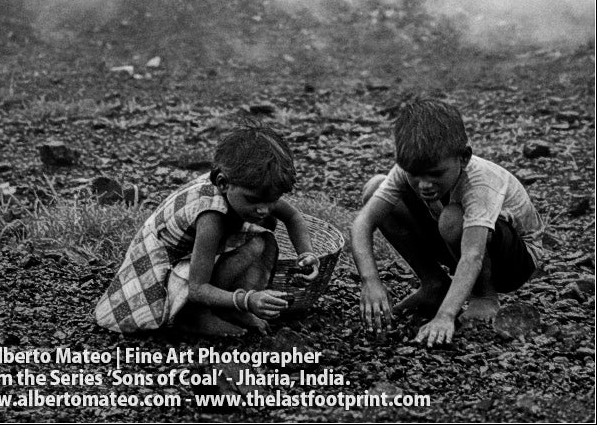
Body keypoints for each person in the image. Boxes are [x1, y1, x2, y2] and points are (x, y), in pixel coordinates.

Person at [351, 99, 544, 347]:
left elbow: (472, 255)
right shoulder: (411, 167)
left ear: (464, 158)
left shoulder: (479, 182)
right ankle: (434, 284)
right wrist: (370, 281)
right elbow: (362, 223)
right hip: (460, 244)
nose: (424, 185)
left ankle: (484, 295)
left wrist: (445, 316)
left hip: (513, 263)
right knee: (374, 188)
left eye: (436, 174)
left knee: (452, 219)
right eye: (414, 175)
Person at [95, 127, 319, 336]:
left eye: (272, 200)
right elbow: (198, 288)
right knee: (256, 241)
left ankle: (228, 308)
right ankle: (194, 316)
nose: (263, 209)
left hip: (194, 256)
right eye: (253, 200)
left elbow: (293, 217)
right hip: (165, 266)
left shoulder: (248, 188)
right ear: (223, 183)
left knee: (261, 235)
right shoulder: (211, 217)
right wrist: (247, 300)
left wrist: (306, 254)